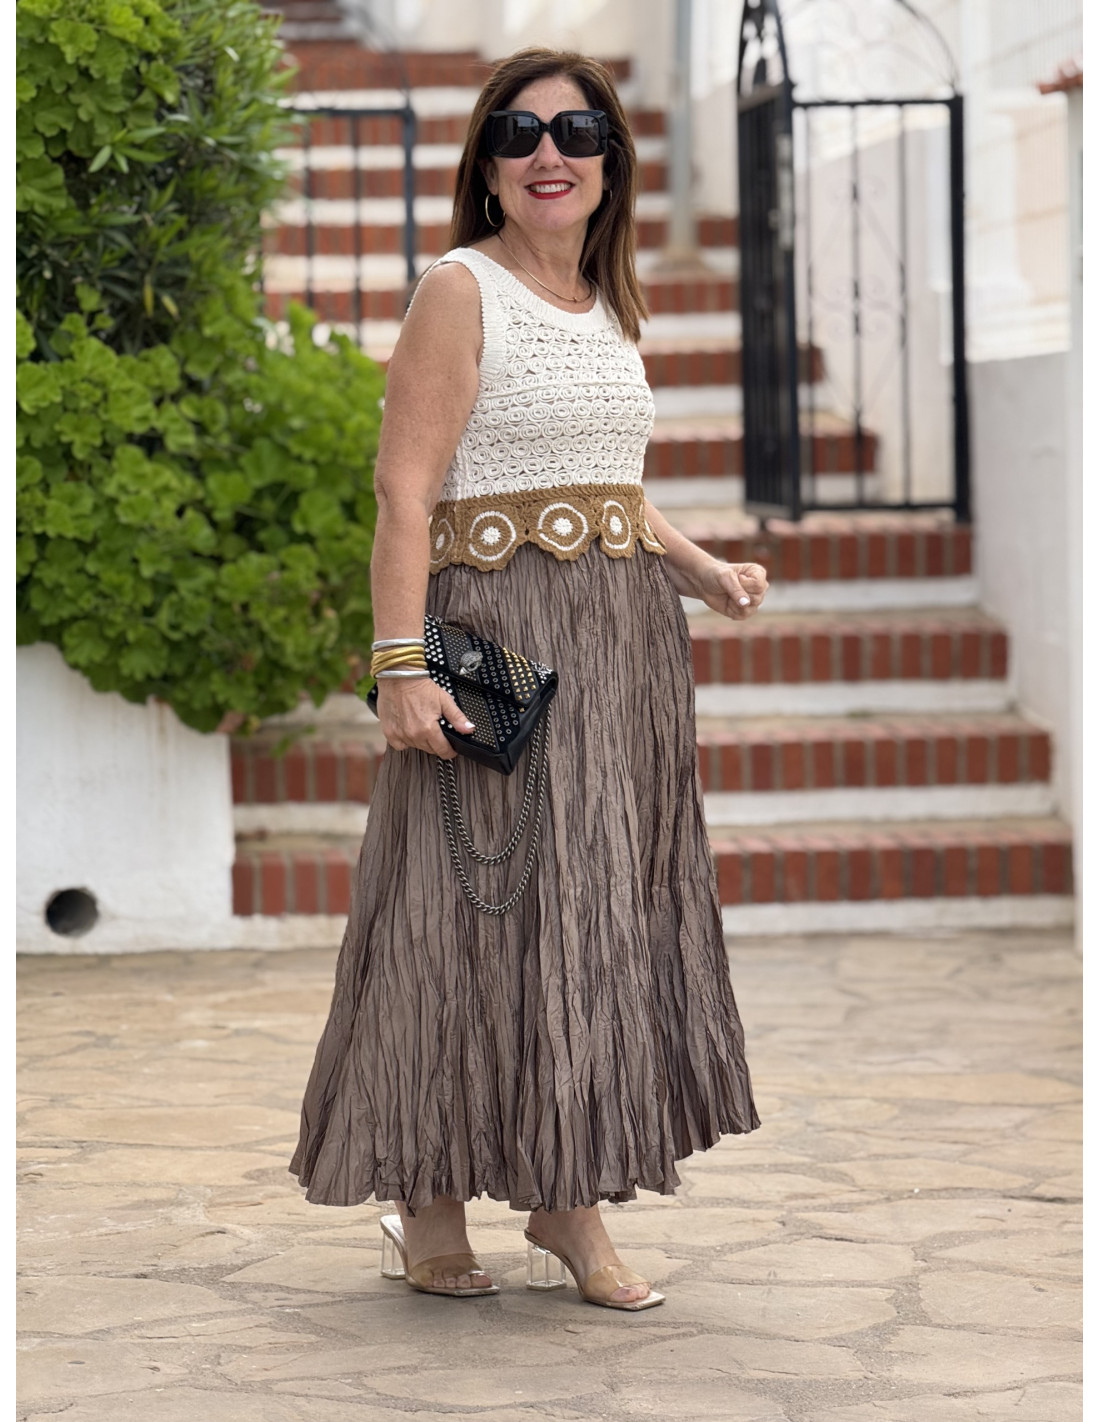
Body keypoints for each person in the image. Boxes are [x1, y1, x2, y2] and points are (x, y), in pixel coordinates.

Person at [291, 46, 766, 1312]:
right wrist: (400, 666)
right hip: (499, 654)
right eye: (517, 132)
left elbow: (604, 490)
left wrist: (698, 568)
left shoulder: (606, 305)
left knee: (592, 920)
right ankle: (429, 1201)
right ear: (488, 166)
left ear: (610, 161)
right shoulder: (460, 290)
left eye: (574, 131)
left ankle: (568, 1201)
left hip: (621, 660)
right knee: (462, 912)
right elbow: (405, 492)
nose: (546, 152)